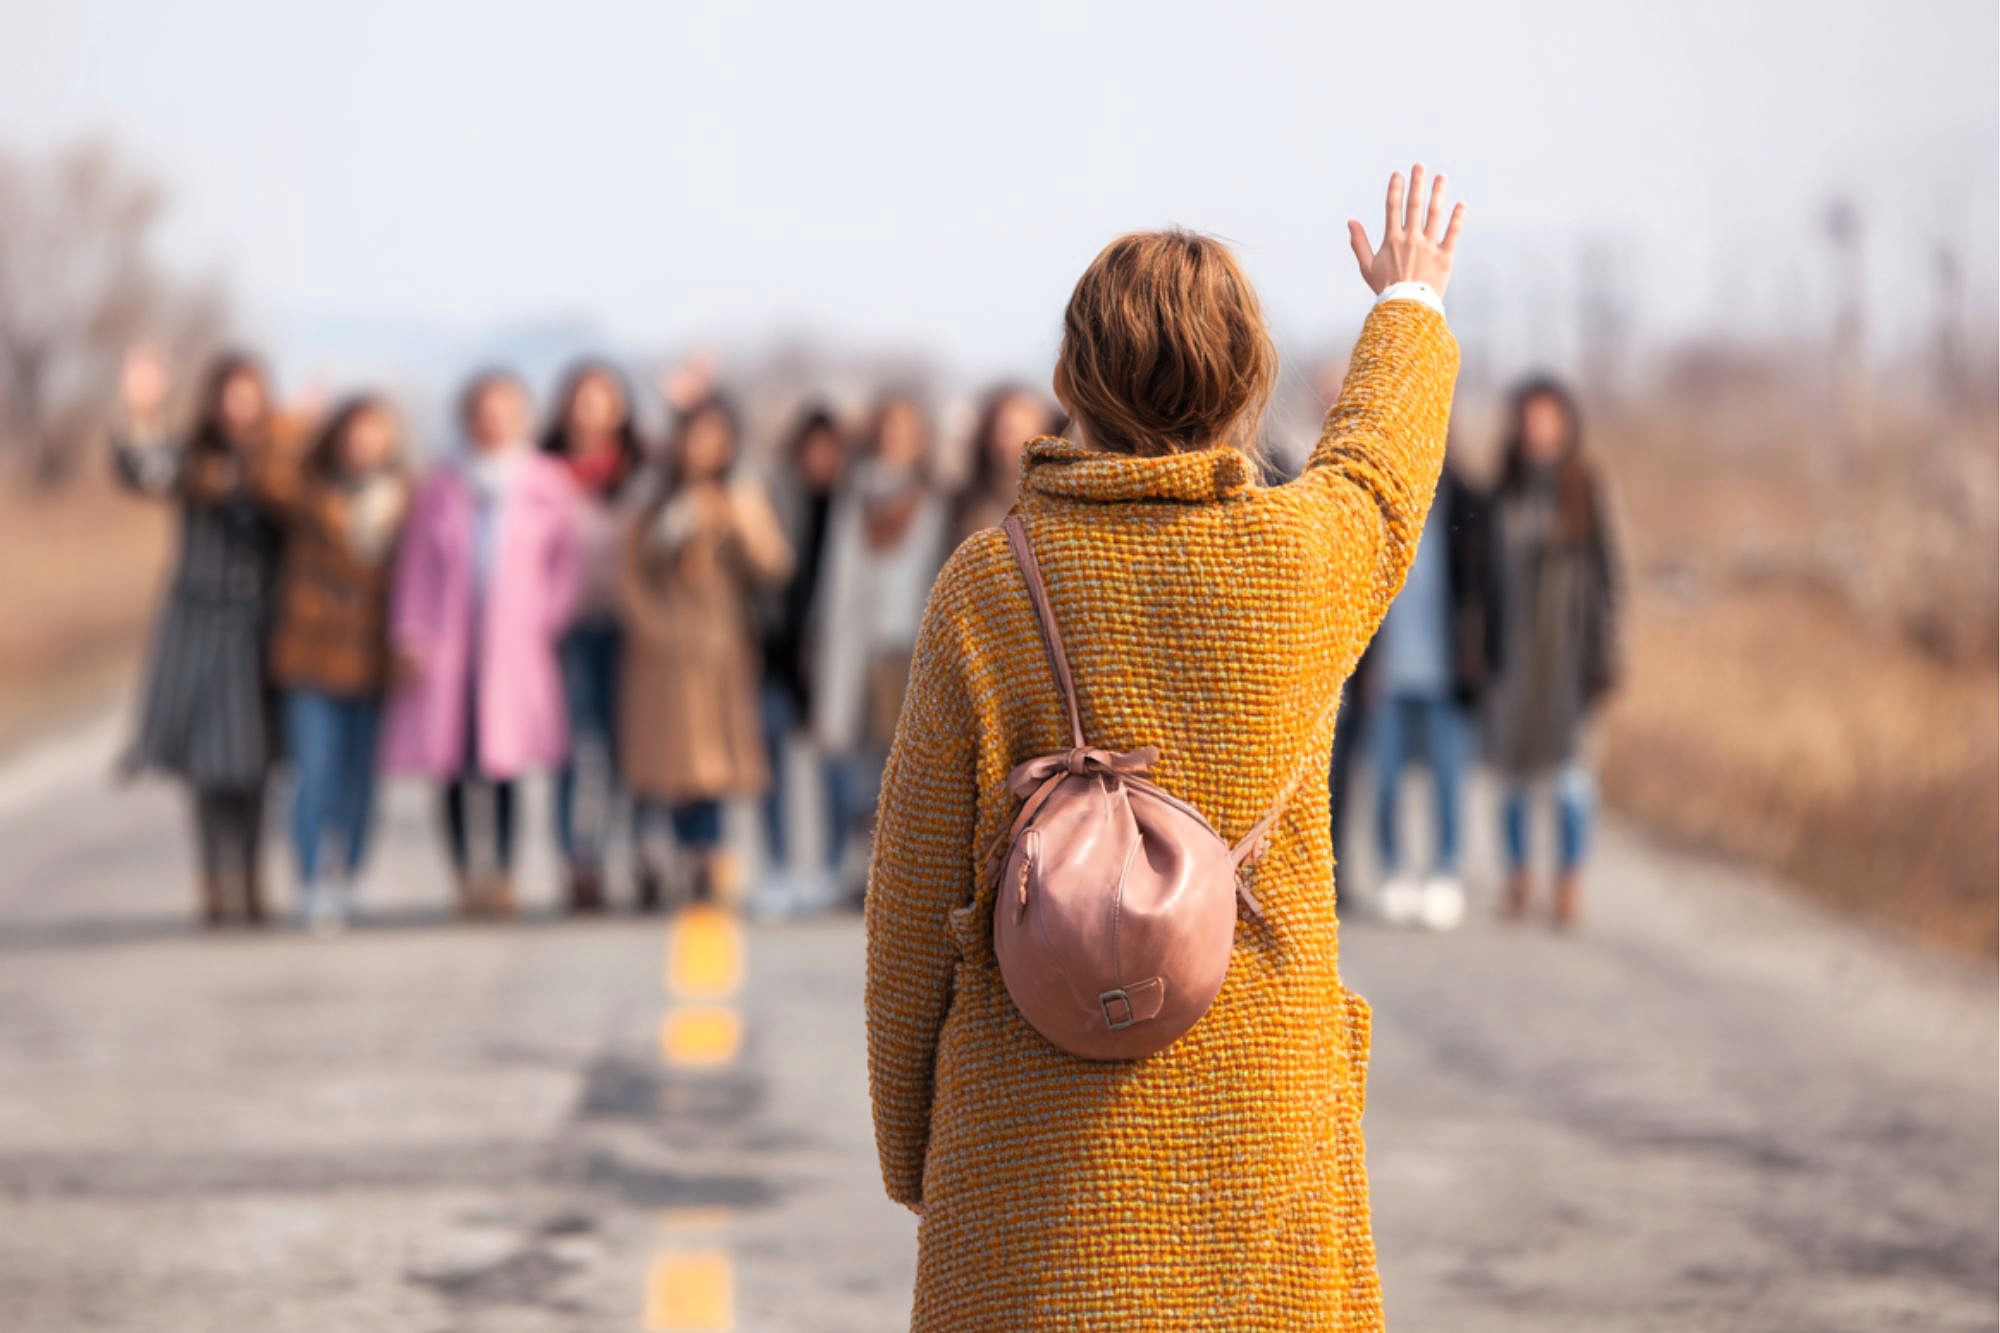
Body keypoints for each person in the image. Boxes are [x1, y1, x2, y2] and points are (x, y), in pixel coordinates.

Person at [864, 166, 1465, 1330]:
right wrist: (1408, 303)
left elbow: (910, 899)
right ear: (1247, 380)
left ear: (1067, 379)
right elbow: (1380, 473)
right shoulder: (1299, 561)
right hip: (1258, 1112)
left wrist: (916, 1145)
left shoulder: (989, 583)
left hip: (1025, 1139)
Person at [381, 370, 581, 917]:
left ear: (521, 419)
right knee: (452, 765)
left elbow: (565, 565)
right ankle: (465, 876)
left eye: (505, 412)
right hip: (450, 645)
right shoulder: (441, 486)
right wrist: (411, 633)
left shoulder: (545, 481)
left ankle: (506, 875)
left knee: (505, 765)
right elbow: (417, 567)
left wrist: (546, 619)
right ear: (467, 419)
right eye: (483, 413)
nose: (493, 423)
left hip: (515, 647)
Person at [112, 347, 290, 926]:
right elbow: (144, 470)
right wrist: (141, 410)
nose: (239, 410)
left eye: (249, 396)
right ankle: (214, 880)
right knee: (209, 767)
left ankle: (253, 877)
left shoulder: (281, 460)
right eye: (229, 397)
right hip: (199, 624)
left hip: (262, 625)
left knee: (257, 763)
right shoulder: (191, 458)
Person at [618, 395, 792, 909]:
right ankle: (664, 853)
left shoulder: (738, 496)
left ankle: (707, 856)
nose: (702, 447)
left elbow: (773, 564)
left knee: (711, 762)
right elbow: (630, 575)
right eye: (694, 436)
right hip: (661, 653)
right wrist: (654, 627)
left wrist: (742, 514)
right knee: (667, 764)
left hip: (720, 649)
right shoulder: (653, 500)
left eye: (714, 437)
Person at [264, 395, 410, 934]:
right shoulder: (310, 490)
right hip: (312, 656)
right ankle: (310, 881)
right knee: (313, 771)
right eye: (354, 432)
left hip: (374, 658)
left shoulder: (404, 498)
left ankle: (348, 874)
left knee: (361, 779)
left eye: (376, 433)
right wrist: (293, 421)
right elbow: (267, 476)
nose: (364, 443)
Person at [1484, 375, 1621, 929]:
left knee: (1571, 779)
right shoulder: (1505, 492)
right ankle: (1518, 876)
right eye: (1527, 416)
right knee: (1513, 778)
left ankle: (1569, 882)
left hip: (1570, 660)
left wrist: (1607, 658)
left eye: (1545, 416)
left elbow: (1612, 580)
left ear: (1565, 422)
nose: (1535, 426)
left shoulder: (1586, 487)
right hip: (1513, 661)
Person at [811, 393, 947, 899]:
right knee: (858, 766)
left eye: (904, 429)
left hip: (910, 647)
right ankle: (854, 867)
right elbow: (837, 579)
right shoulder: (856, 497)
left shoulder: (934, 500)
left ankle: (901, 873)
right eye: (887, 428)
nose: (894, 439)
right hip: (859, 649)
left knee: (908, 770)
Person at [1363, 451, 1490, 931]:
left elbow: (1483, 588)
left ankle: (1444, 873)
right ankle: (1394, 870)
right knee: (1387, 781)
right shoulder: (1383, 505)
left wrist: (1480, 659)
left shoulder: (1466, 501)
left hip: (1446, 674)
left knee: (1448, 781)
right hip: (1390, 673)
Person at [539, 360, 645, 913]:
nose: (592, 410)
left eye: (603, 398)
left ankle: (630, 853)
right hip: (568, 628)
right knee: (575, 748)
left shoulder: (641, 471)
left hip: (631, 628)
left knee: (628, 747)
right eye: (582, 398)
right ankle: (578, 861)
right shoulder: (542, 473)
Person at [755, 405, 848, 914]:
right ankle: (780, 866)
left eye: (829, 447)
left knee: (833, 769)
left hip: (830, 656)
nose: (820, 458)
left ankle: (831, 866)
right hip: (776, 653)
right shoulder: (775, 496)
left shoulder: (852, 503)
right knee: (772, 764)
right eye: (811, 447)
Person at [949, 384, 1060, 544]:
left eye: (1013, 431)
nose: (1005, 442)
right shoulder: (965, 504)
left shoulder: (1056, 504)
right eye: (1000, 431)